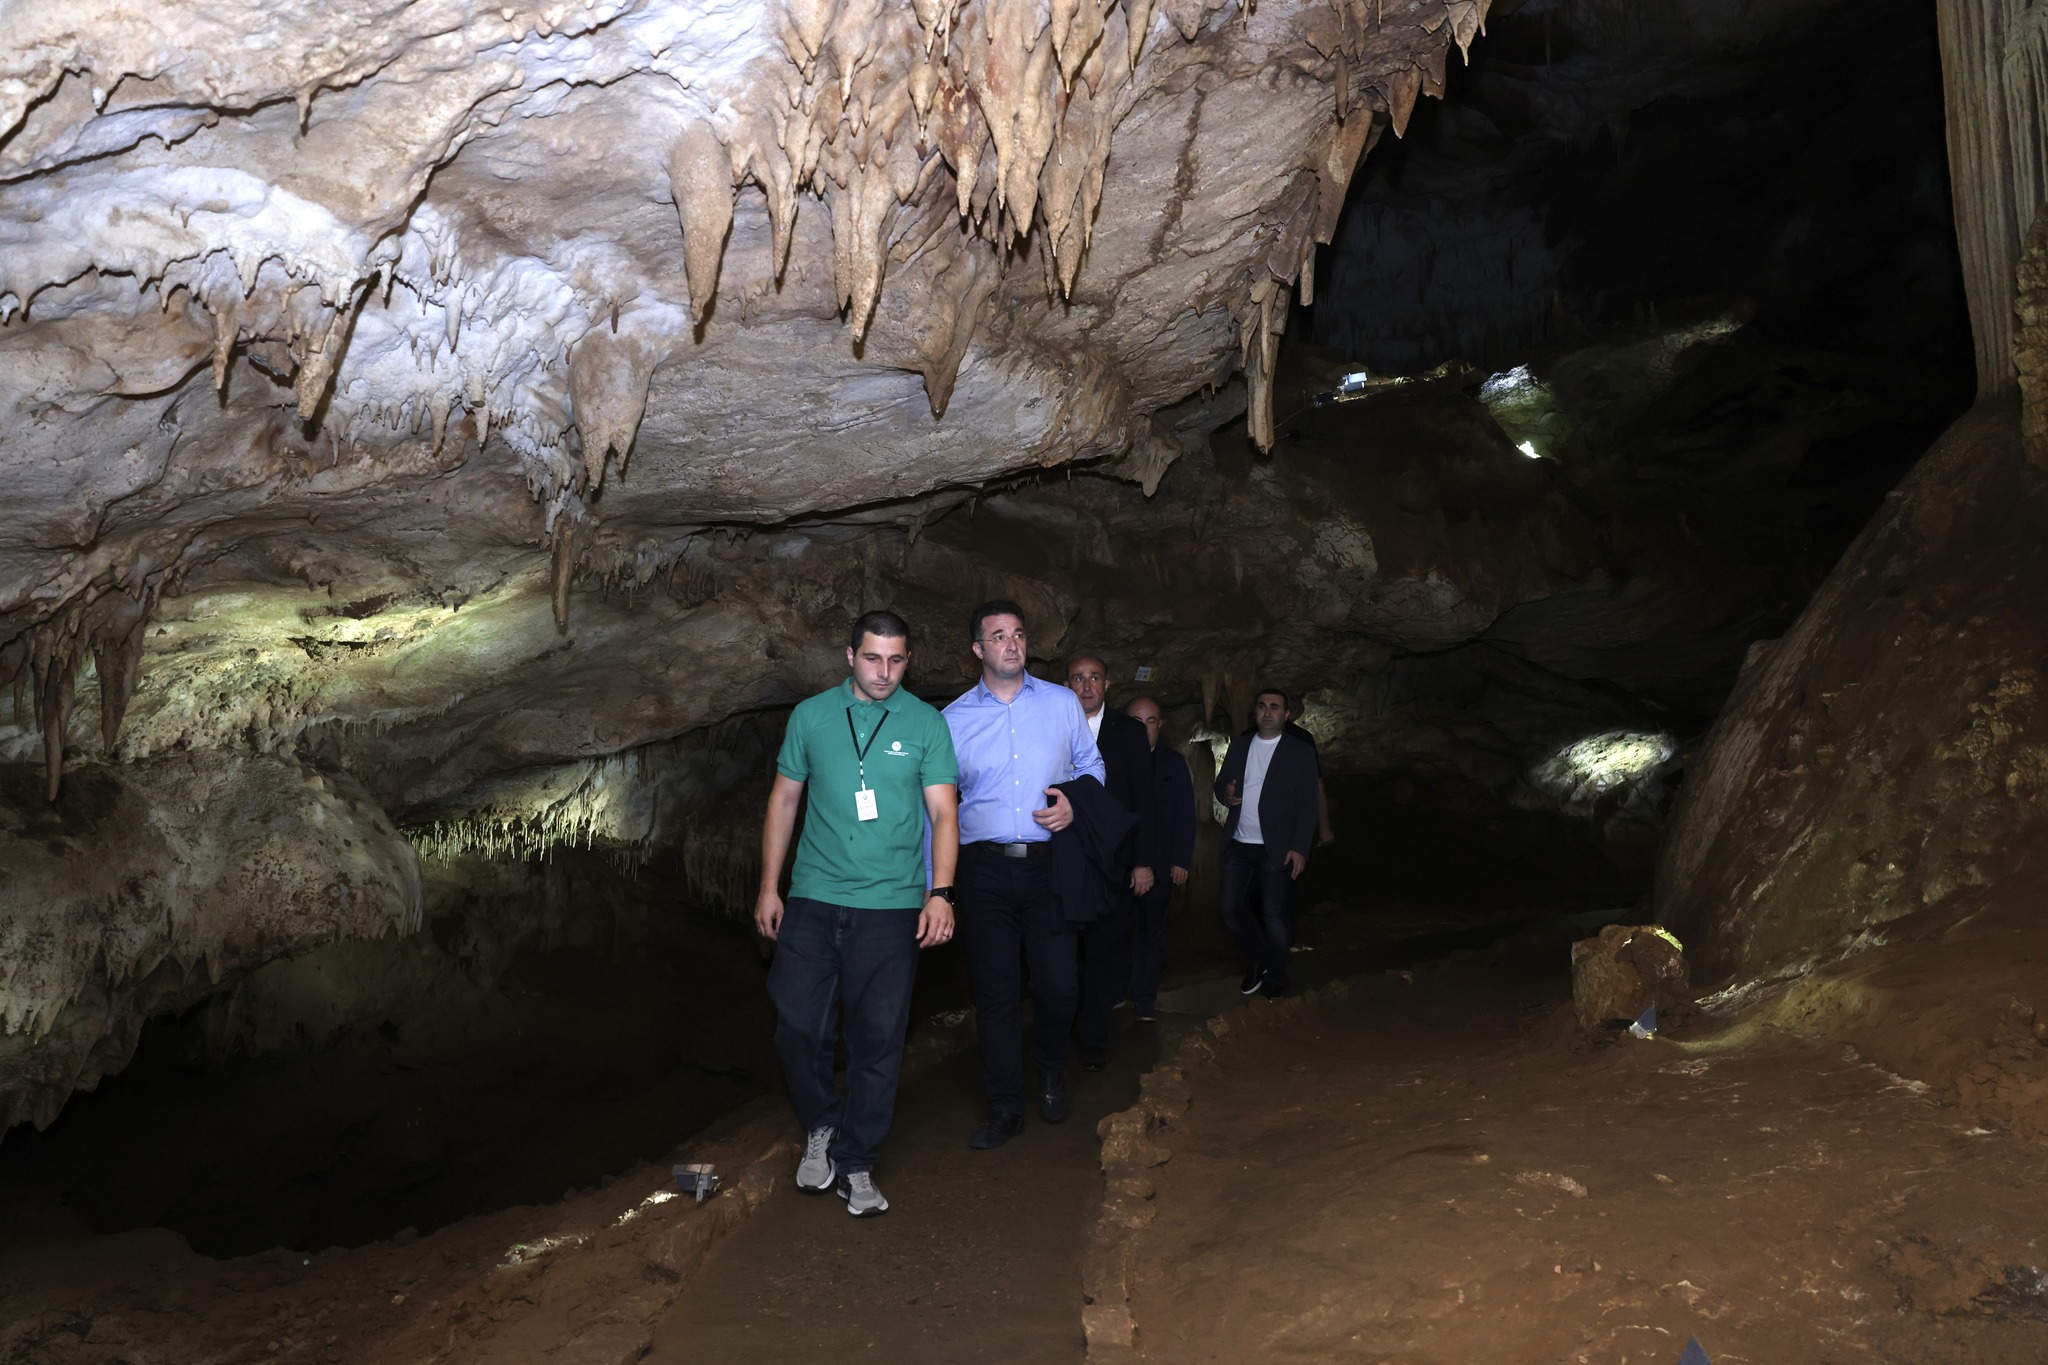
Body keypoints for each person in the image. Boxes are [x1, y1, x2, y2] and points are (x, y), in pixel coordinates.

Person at [754, 610, 960, 1218]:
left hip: (891, 905)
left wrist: (941, 893)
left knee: (878, 1038)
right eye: (872, 658)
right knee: (798, 1025)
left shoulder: (925, 723)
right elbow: (784, 800)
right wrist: (769, 887)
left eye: (896, 661)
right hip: (814, 897)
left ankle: (858, 1160)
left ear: (908, 661)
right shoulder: (811, 716)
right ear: (850, 656)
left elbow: (944, 813)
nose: (884, 672)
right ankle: (821, 1123)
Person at [943, 600, 1106, 1149]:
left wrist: (1075, 804)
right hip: (983, 869)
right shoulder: (952, 719)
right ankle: (1006, 1104)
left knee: (1059, 985)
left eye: (1018, 634)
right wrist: (935, 884)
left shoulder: (1062, 703)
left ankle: (1051, 1066)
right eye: (998, 636)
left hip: (1048, 865)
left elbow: (1092, 766)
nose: (1011, 644)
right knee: (995, 993)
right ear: (977, 649)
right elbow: (937, 805)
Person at [1066, 653, 1156, 1069]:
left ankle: (1093, 1039)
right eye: (1078, 678)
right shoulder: (1051, 726)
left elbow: (1144, 801)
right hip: (1064, 859)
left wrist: (1143, 861)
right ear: (1066, 686)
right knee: (1064, 951)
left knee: (1105, 949)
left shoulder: (1130, 733)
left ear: (1107, 684)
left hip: (1114, 860)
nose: (1086, 686)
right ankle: (1064, 1027)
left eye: (1094, 678)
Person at [1214, 687, 1320, 997]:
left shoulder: (1299, 752)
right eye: (1262, 706)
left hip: (1277, 846)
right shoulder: (1240, 745)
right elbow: (1221, 784)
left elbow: (1309, 803)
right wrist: (1226, 793)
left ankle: (1275, 975)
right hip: (1239, 842)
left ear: (1286, 714)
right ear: (1255, 712)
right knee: (1230, 909)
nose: (1267, 711)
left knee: (1274, 914)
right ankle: (1260, 958)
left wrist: (1300, 848)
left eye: (1274, 707)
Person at [1124, 696, 1195, 1021]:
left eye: (1150, 721)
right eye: (1137, 722)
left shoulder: (1173, 764)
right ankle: (1116, 990)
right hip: (1122, 866)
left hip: (1163, 864)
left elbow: (1185, 814)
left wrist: (1181, 859)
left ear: (1160, 725)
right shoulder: (1113, 761)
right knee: (1119, 932)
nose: (1144, 729)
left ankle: (1144, 998)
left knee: (1152, 931)